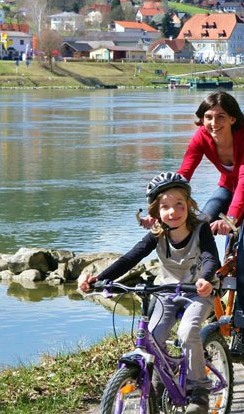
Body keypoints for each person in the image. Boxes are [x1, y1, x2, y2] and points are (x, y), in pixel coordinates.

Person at [78, 172, 219, 414]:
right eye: (165, 207)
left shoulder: (200, 228)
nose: (172, 212)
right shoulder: (157, 233)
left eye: (179, 205)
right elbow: (131, 257)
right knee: (153, 337)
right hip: (166, 292)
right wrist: (100, 279)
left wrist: (205, 279)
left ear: (188, 205)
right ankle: (158, 382)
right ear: (156, 211)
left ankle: (199, 390)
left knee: (187, 333)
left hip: (198, 291)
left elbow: (209, 257)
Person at [178, 91, 244, 361]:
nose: (213, 123)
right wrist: (167, 200)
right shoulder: (202, 136)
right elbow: (185, 171)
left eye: (220, 117)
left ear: (233, 118)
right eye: (208, 117)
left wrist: (231, 219)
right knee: (196, 225)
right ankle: (206, 290)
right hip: (229, 188)